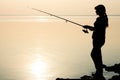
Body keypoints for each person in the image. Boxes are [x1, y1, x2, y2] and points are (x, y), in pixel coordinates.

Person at [83, 4, 108, 80]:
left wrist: (88, 27)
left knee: (93, 54)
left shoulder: (101, 19)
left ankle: (99, 70)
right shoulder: (103, 18)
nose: (96, 11)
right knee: (97, 54)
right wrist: (88, 27)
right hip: (99, 39)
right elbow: (96, 28)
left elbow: (97, 29)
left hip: (98, 39)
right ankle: (99, 71)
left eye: (97, 10)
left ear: (100, 11)